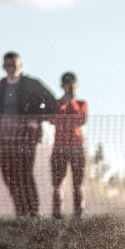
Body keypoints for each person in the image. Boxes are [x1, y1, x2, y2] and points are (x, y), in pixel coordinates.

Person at [0, 52, 56, 217]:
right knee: (8, 175)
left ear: (20, 66)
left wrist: (37, 119)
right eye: (8, 65)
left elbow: (52, 103)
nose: (11, 68)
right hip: (4, 138)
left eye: (14, 65)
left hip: (26, 138)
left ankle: (33, 213)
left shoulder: (31, 85)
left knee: (24, 174)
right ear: (4, 67)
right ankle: (20, 212)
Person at [50, 71, 88, 219]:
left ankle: (78, 216)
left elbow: (80, 120)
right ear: (62, 86)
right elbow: (53, 119)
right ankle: (57, 215)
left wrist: (69, 103)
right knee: (57, 184)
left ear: (76, 85)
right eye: (67, 84)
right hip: (59, 148)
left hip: (76, 148)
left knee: (78, 184)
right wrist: (64, 105)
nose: (69, 87)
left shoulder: (81, 104)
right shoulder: (56, 104)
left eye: (71, 84)